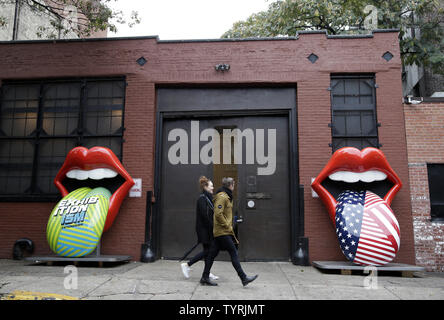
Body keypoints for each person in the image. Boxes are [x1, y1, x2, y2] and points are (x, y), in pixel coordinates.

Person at [200, 177, 258, 287]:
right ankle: (243, 277)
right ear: (230, 185)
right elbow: (218, 213)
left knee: (212, 254)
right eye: (233, 184)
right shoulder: (222, 197)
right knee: (233, 252)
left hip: (221, 231)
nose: (234, 186)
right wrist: (227, 224)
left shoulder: (226, 196)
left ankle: (205, 277)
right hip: (222, 231)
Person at [181, 176, 219, 280]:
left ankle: (207, 272)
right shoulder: (202, 199)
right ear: (205, 187)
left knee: (208, 251)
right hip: (204, 230)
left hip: (208, 229)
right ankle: (188, 265)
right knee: (210, 250)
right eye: (211, 186)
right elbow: (205, 217)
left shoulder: (208, 198)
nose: (213, 187)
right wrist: (214, 227)